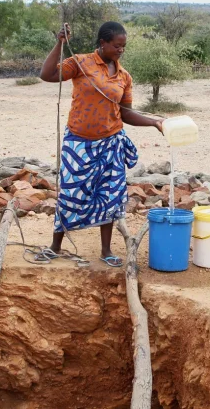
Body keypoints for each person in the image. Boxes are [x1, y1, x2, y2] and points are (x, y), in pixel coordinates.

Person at [40, 21, 163, 267]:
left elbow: (125, 113)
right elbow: (48, 75)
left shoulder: (123, 77)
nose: (121, 50)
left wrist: (154, 122)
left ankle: (106, 250)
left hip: (111, 144)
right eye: (117, 46)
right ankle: (55, 246)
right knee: (70, 194)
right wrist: (60, 43)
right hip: (79, 144)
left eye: (124, 47)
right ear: (103, 42)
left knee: (110, 196)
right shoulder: (81, 63)